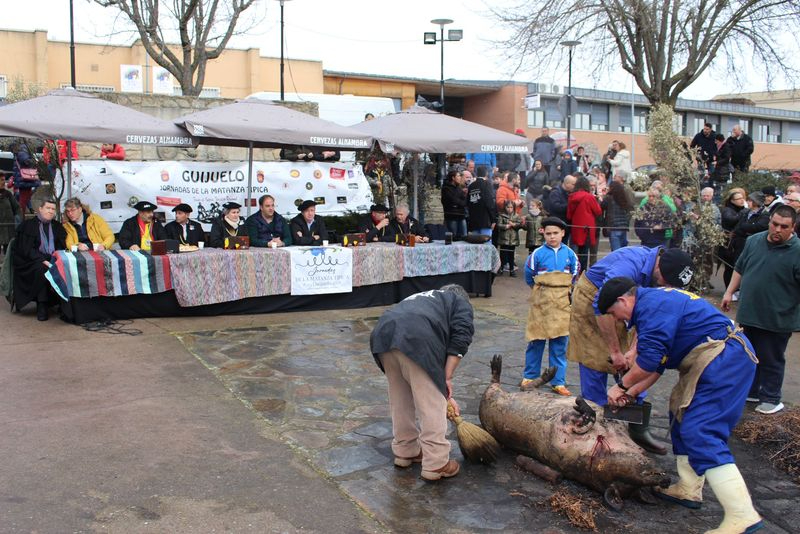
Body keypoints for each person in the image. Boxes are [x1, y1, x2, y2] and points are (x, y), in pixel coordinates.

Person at [600, 278, 762, 534]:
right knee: (680, 415)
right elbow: (659, 365)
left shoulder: (651, 308)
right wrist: (630, 394)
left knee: (701, 431)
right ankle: (688, 488)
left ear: (622, 300)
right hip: (712, 358)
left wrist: (620, 387)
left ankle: (742, 515)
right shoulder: (651, 304)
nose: (617, 319)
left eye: (613, 313)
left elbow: (649, 361)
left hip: (725, 358)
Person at [567, 246, 695, 454]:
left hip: (628, 303)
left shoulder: (659, 279)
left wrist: (634, 350)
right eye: (668, 282)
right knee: (595, 360)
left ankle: (637, 429)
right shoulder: (627, 266)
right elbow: (602, 306)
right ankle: (598, 429)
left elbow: (646, 320)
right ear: (659, 268)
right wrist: (615, 352)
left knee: (635, 361)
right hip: (594, 300)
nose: (668, 287)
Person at [369, 284, 474, 481]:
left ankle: (405, 450)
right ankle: (436, 463)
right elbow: (460, 340)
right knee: (431, 404)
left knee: (400, 398)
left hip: (383, 334)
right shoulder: (460, 302)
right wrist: (446, 379)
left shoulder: (424, 298)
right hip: (415, 338)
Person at [722, 205, 800, 415]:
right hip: (749, 312)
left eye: (784, 226)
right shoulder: (754, 241)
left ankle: (771, 398)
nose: (777, 229)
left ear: (793, 227)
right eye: (774, 224)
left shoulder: (797, 251)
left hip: (777, 317)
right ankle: (753, 391)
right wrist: (729, 292)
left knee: (771, 358)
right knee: (749, 354)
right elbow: (740, 268)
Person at [521, 217, 580, 396]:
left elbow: (575, 274)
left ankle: (558, 381)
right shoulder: (537, 254)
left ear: (562, 233)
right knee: (536, 340)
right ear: (543, 234)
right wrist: (540, 291)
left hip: (562, 305)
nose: (552, 237)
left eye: (555, 233)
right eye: (548, 233)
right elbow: (529, 275)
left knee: (560, 343)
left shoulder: (570, 254)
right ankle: (530, 376)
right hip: (541, 304)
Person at [12, 198, 67, 321]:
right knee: (42, 269)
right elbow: (26, 249)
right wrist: (43, 260)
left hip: (53, 258)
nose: (50, 211)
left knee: (64, 267)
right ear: (40, 209)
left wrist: (55, 259)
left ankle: (64, 304)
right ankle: (42, 305)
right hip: (29, 261)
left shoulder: (57, 226)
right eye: (48, 208)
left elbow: (61, 246)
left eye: (53, 209)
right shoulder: (28, 225)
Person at [730, 192, 770, 287]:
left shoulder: (764, 214)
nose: (747, 202)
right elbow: (738, 228)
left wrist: (745, 227)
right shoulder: (746, 213)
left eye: (749, 200)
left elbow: (758, 227)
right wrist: (745, 228)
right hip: (740, 245)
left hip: (754, 247)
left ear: (756, 202)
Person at [567, 175, 601, 270]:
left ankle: (574, 269)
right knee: (584, 251)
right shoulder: (589, 197)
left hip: (576, 226)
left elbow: (569, 215)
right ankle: (583, 271)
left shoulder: (572, 197)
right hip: (587, 227)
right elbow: (598, 211)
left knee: (575, 249)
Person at [719, 188, 748, 289]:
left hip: (737, 243)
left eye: (742, 198)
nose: (742, 200)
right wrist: (744, 212)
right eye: (738, 199)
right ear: (732, 201)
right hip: (729, 244)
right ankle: (729, 288)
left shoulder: (741, 209)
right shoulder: (728, 210)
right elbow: (731, 220)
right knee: (729, 268)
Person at [602, 175, 634, 250]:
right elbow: (630, 210)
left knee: (616, 250)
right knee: (623, 249)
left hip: (613, 226)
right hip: (623, 227)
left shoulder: (609, 198)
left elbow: (602, 206)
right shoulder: (624, 199)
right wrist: (626, 221)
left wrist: (605, 195)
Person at [466, 166, 497, 237]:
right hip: (485, 221)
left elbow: (468, 203)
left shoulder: (471, 186)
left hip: (473, 221)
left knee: (476, 242)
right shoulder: (487, 184)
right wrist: (493, 219)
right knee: (486, 242)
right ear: (486, 174)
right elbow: (490, 203)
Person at [11, 142, 40, 215]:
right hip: (25, 180)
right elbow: (27, 162)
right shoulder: (23, 153)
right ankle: (20, 217)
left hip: (23, 180)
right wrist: (34, 161)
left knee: (24, 198)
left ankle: (20, 216)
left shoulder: (20, 153)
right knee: (23, 200)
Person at [545, 174, 576, 242]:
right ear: (567, 183)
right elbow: (556, 207)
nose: (574, 186)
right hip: (557, 224)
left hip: (565, 224)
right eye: (573, 184)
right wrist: (569, 206)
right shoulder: (555, 192)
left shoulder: (569, 193)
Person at [497, 200, 523, 277]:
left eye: (511, 207)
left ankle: (512, 270)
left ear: (514, 208)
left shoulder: (516, 216)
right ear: (505, 207)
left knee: (511, 255)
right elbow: (499, 225)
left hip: (513, 239)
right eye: (508, 207)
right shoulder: (502, 215)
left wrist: (514, 225)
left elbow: (520, 225)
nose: (509, 209)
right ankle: (501, 268)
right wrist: (506, 226)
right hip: (504, 239)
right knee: (503, 255)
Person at [441, 169, 467, 238]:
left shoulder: (459, 188)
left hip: (461, 215)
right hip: (452, 216)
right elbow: (453, 200)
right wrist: (460, 203)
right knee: (453, 236)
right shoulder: (446, 188)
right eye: (458, 176)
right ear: (453, 178)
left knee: (464, 236)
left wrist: (459, 203)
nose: (460, 178)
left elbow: (464, 200)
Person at [0, 182, 20, 254]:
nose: (3, 182)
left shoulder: (8, 194)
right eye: (1, 180)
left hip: (8, 228)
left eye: (3, 180)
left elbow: (17, 208)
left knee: (8, 252)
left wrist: (17, 219)